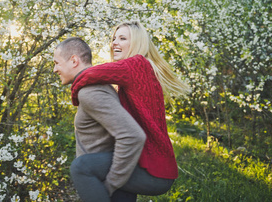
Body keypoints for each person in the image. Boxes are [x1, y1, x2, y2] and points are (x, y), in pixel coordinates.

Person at [71, 21, 190, 200]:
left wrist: (75, 94)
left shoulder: (137, 64)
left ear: (136, 43)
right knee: (118, 176)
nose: (114, 43)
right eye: (114, 38)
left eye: (122, 38)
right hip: (147, 164)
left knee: (82, 167)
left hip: (153, 170)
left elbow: (90, 73)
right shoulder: (139, 70)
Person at [53, 37, 146, 202]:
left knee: (79, 168)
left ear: (74, 60)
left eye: (57, 63)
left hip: (109, 182)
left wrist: (111, 184)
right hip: (108, 178)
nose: (55, 69)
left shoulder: (90, 91)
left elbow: (132, 135)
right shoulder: (97, 86)